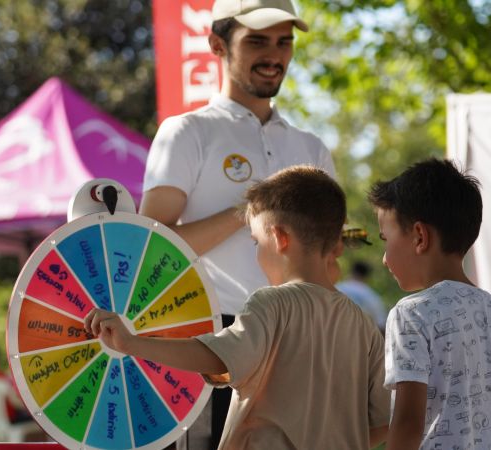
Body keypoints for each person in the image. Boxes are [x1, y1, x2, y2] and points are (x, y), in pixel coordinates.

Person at [140, 0, 334, 447]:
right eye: (258, 41)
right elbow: (150, 248)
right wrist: (248, 210)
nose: (275, 54)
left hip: (296, 341)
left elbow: (328, 263)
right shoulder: (186, 132)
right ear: (216, 44)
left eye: (285, 41)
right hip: (208, 338)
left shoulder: (312, 147)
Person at [87, 165, 389, 449]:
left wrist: (132, 343)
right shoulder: (361, 322)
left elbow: (217, 357)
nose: (257, 254)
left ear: (279, 238)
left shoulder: (272, 304)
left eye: (256, 242)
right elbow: (383, 417)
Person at [369, 158, 491, 449]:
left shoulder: (411, 314)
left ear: (420, 236)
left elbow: (409, 424)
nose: (384, 257)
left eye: (386, 238)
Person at [336, 260, 388, 332]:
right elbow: (381, 324)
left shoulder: (337, 288)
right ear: (367, 276)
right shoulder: (372, 295)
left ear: (351, 272)